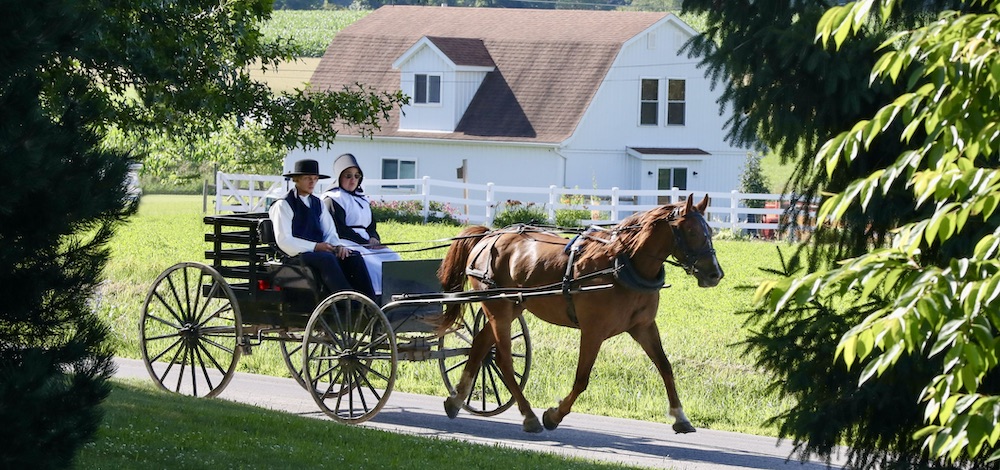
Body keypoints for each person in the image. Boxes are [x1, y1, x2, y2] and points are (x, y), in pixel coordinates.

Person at [268, 158, 376, 300]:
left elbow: (330, 231)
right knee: (326, 259)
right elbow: (285, 241)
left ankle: (370, 301)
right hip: (294, 256)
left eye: (315, 178)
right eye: (307, 178)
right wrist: (316, 247)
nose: (312, 182)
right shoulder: (284, 205)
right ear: (296, 179)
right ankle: (347, 301)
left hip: (318, 252)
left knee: (353, 256)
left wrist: (337, 246)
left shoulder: (318, 203)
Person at [322, 153, 401, 299]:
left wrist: (373, 238)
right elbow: (340, 229)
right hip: (345, 242)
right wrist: (364, 242)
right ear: (340, 177)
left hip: (366, 242)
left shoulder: (362, 199)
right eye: (348, 176)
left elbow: (371, 225)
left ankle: (397, 294)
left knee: (393, 257)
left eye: (357, 176)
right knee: (372, 263)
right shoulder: (333, 199)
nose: (353, 180)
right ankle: (377, 297)